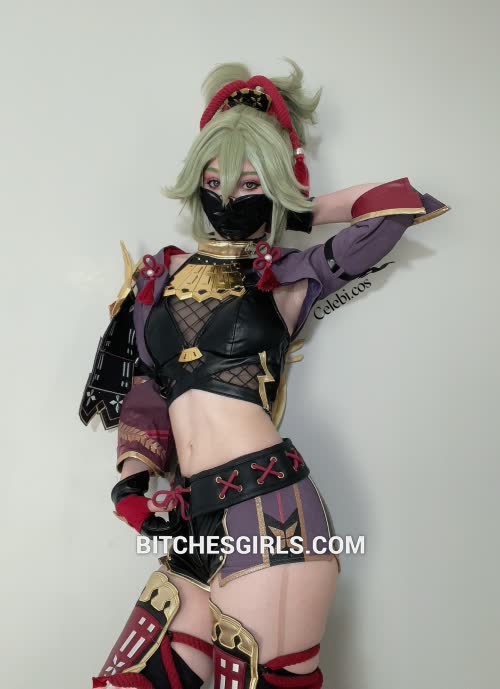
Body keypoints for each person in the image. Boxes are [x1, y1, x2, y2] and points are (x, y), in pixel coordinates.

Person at [80, 59, 450, 689]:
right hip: (194, 523)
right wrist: (131, 484)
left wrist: (293, 211)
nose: (228, 196)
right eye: (215, 179)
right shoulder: (159, 277)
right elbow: (146, 385)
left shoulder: (285, 278)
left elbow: (399, 206)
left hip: (272, 516)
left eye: (250, 182)